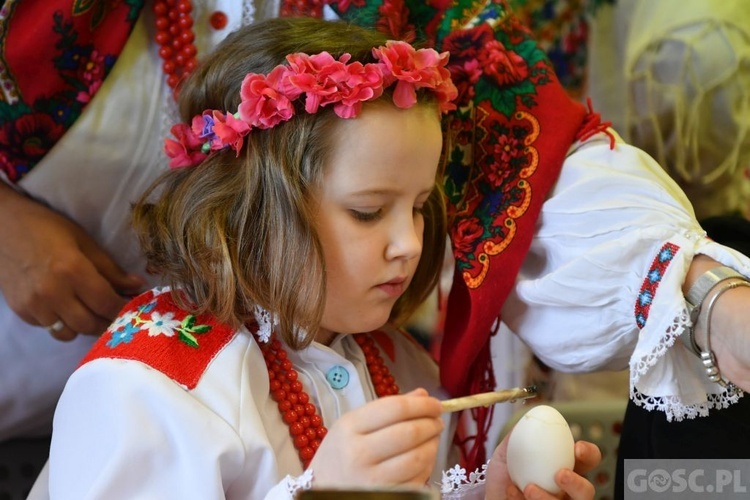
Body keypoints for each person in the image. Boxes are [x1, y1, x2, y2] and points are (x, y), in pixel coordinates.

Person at [32, 17, 600, 499]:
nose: (408, 242)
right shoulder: (143, 389)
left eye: (420, 207)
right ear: (247, 209)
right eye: (368, 212)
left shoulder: (397, 365)